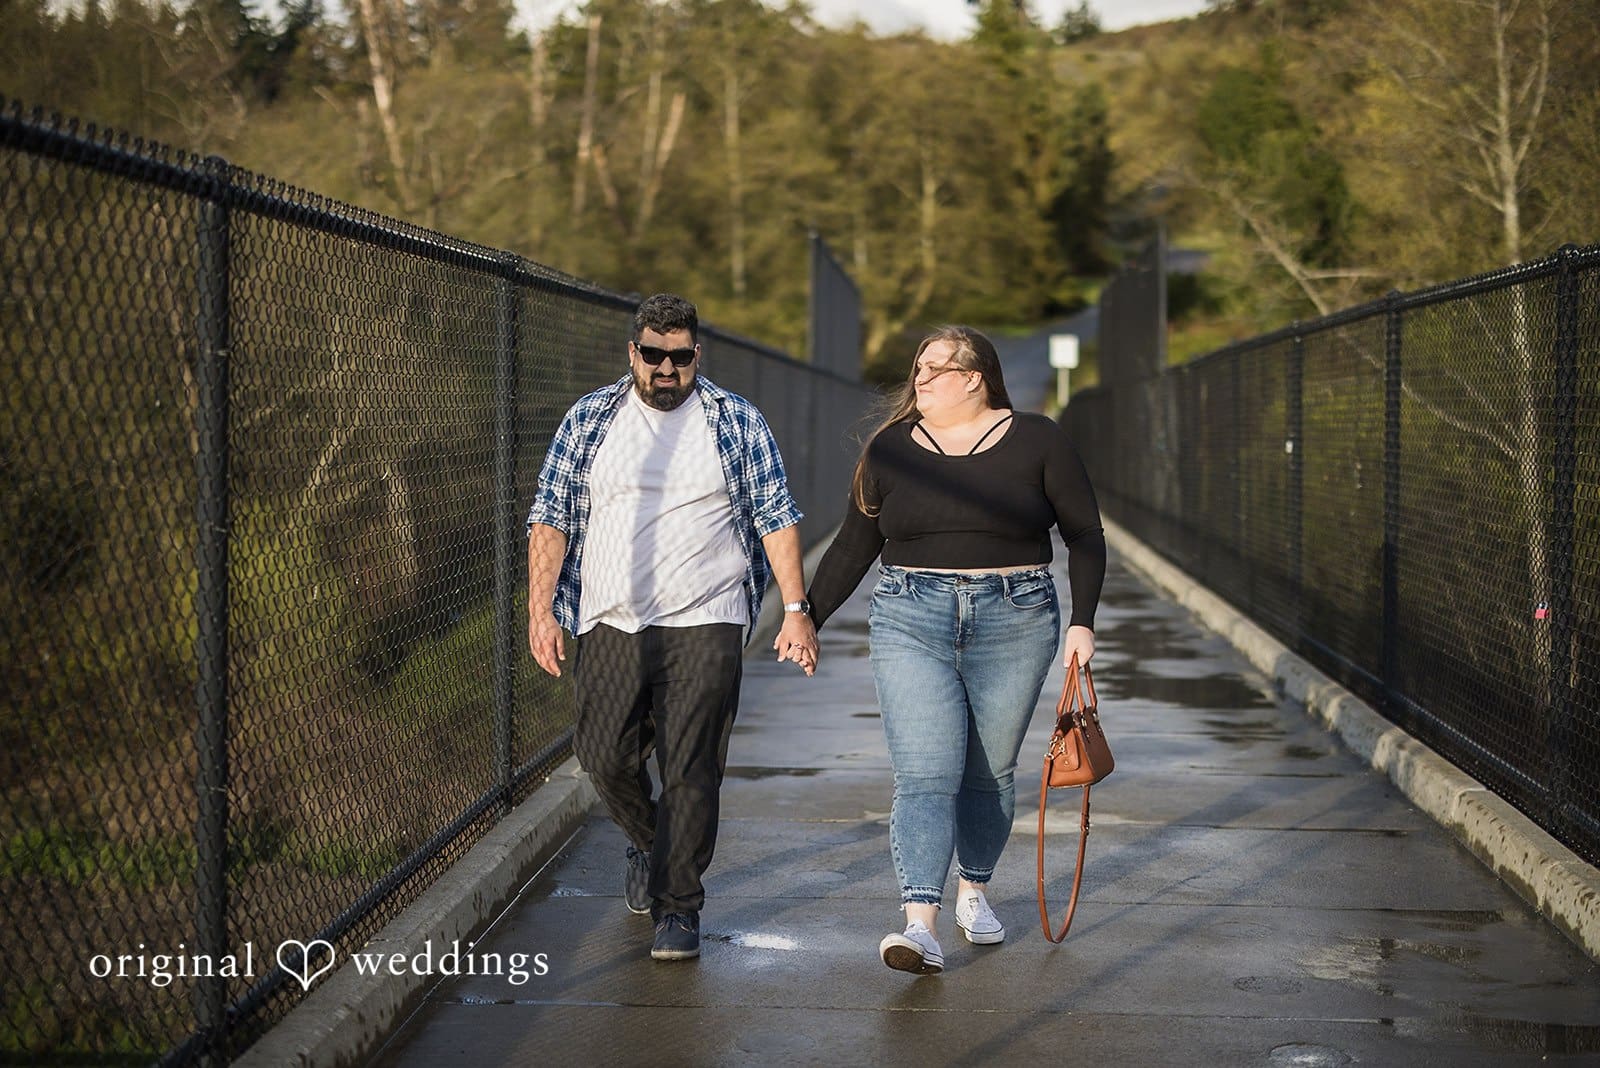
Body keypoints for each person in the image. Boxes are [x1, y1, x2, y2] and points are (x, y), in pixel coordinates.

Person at [526, 293, 819, 963]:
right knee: (604, 754)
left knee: (691, 766)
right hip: (609, 618)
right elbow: (550, 516)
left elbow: (775, 515)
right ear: (632, 352)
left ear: (696, 355)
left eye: (679, 357)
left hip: (707, 618)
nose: (666, 369)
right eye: (653, 355)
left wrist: (796, 610)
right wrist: (540, 611)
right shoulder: (591, 419)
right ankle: (652, 843)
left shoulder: (734, 420)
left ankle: (679, 906)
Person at [805, 325, 1105, 975]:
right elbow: (855, 543)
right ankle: (920, 925)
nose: (919, 377)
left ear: (974, 378)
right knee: (925, 772)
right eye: (918, 366)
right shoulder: (892, 448)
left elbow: (1085, 535)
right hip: (910, 615)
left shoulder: (1039, 439)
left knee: (988, 772)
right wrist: (807, 617)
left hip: (1017, 617)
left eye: (935, 367)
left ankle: (974, 890)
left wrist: (1082, 624)